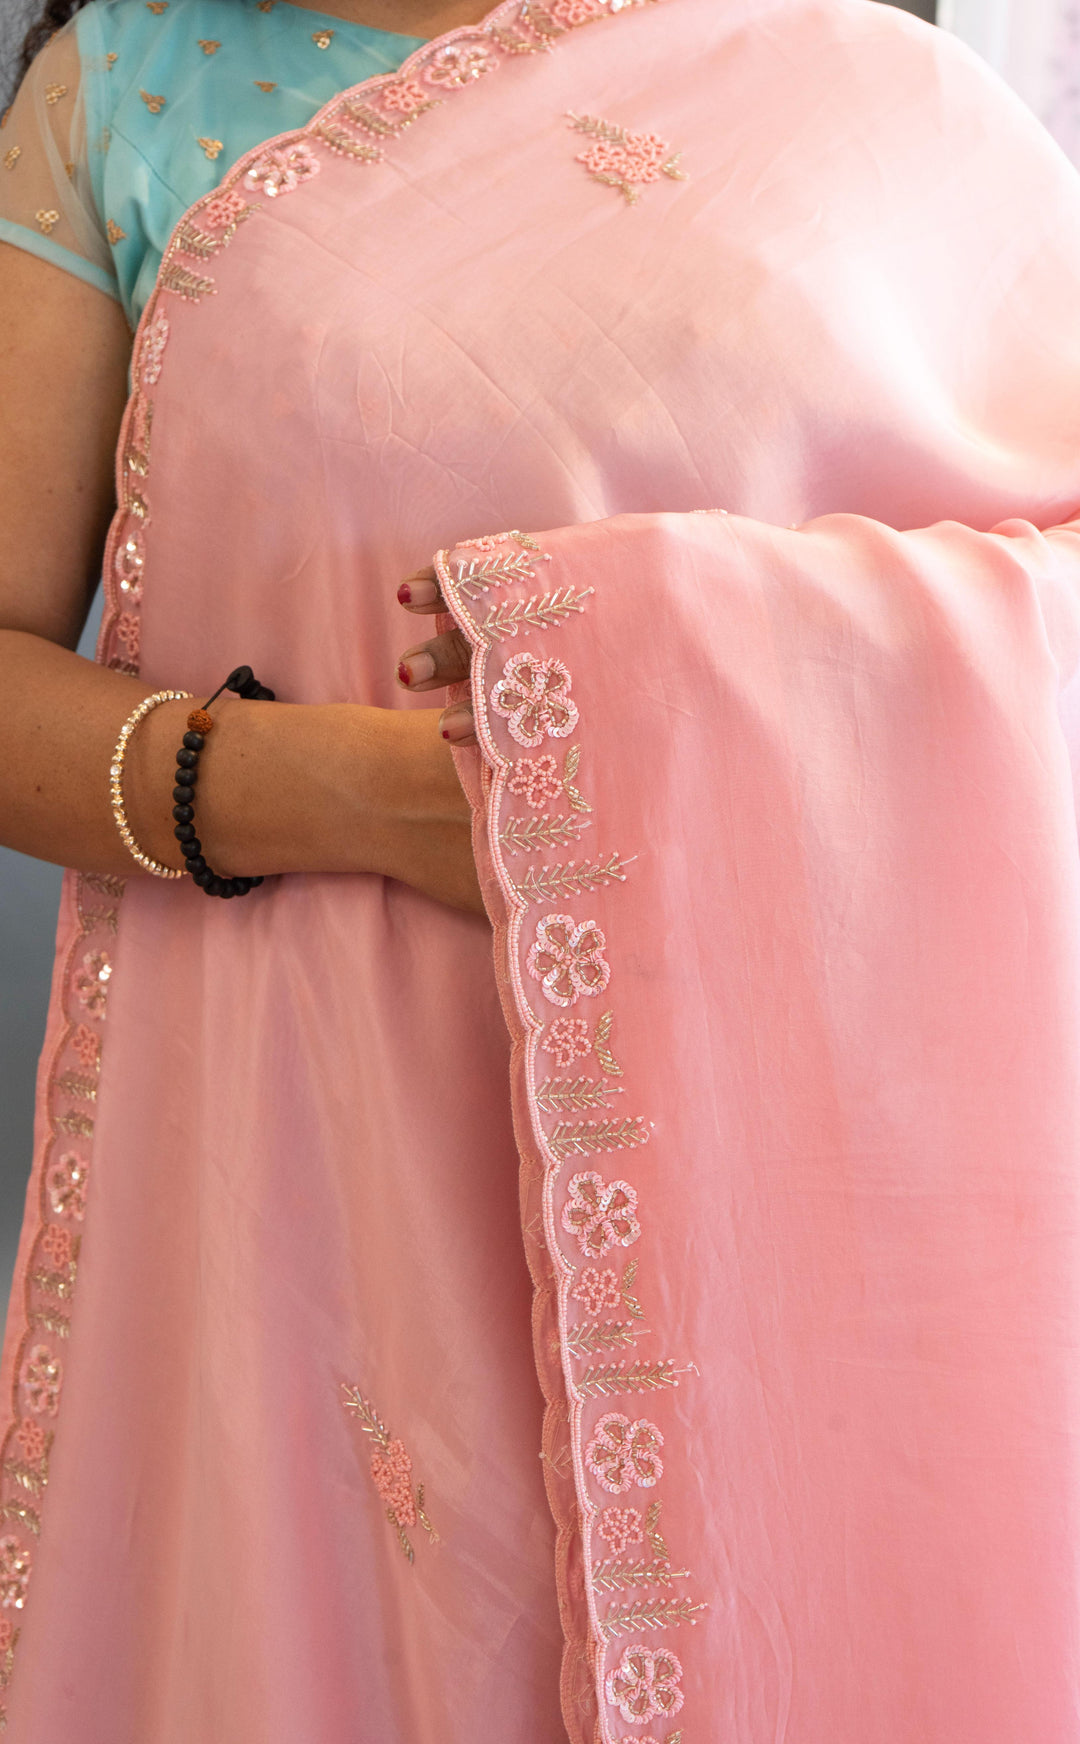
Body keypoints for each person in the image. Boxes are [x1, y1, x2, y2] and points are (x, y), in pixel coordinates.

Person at [7, 0, 1080, 1738]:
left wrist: (647, 683)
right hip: (317, 1174)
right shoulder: (131, 86)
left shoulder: (864, 88)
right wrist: (345, 792)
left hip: (778, 1182)